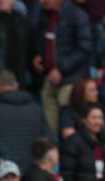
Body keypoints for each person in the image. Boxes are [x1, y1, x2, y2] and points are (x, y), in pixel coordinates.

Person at [33, 0, 92, 134]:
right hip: (49, 77)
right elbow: (45, 40)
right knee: (48, 125)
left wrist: (61, 69)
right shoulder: (45, 14)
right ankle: (52, 150)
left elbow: (84, 49)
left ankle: (69, 153)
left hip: (71, 79)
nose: (42, 1)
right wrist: (40, 56)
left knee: (67, 123)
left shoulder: (77, 15)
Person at [0, 70, 53, 172]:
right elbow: (49, 139)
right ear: (16, 85)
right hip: (33, 172)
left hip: (6, 173)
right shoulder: (35, 108)